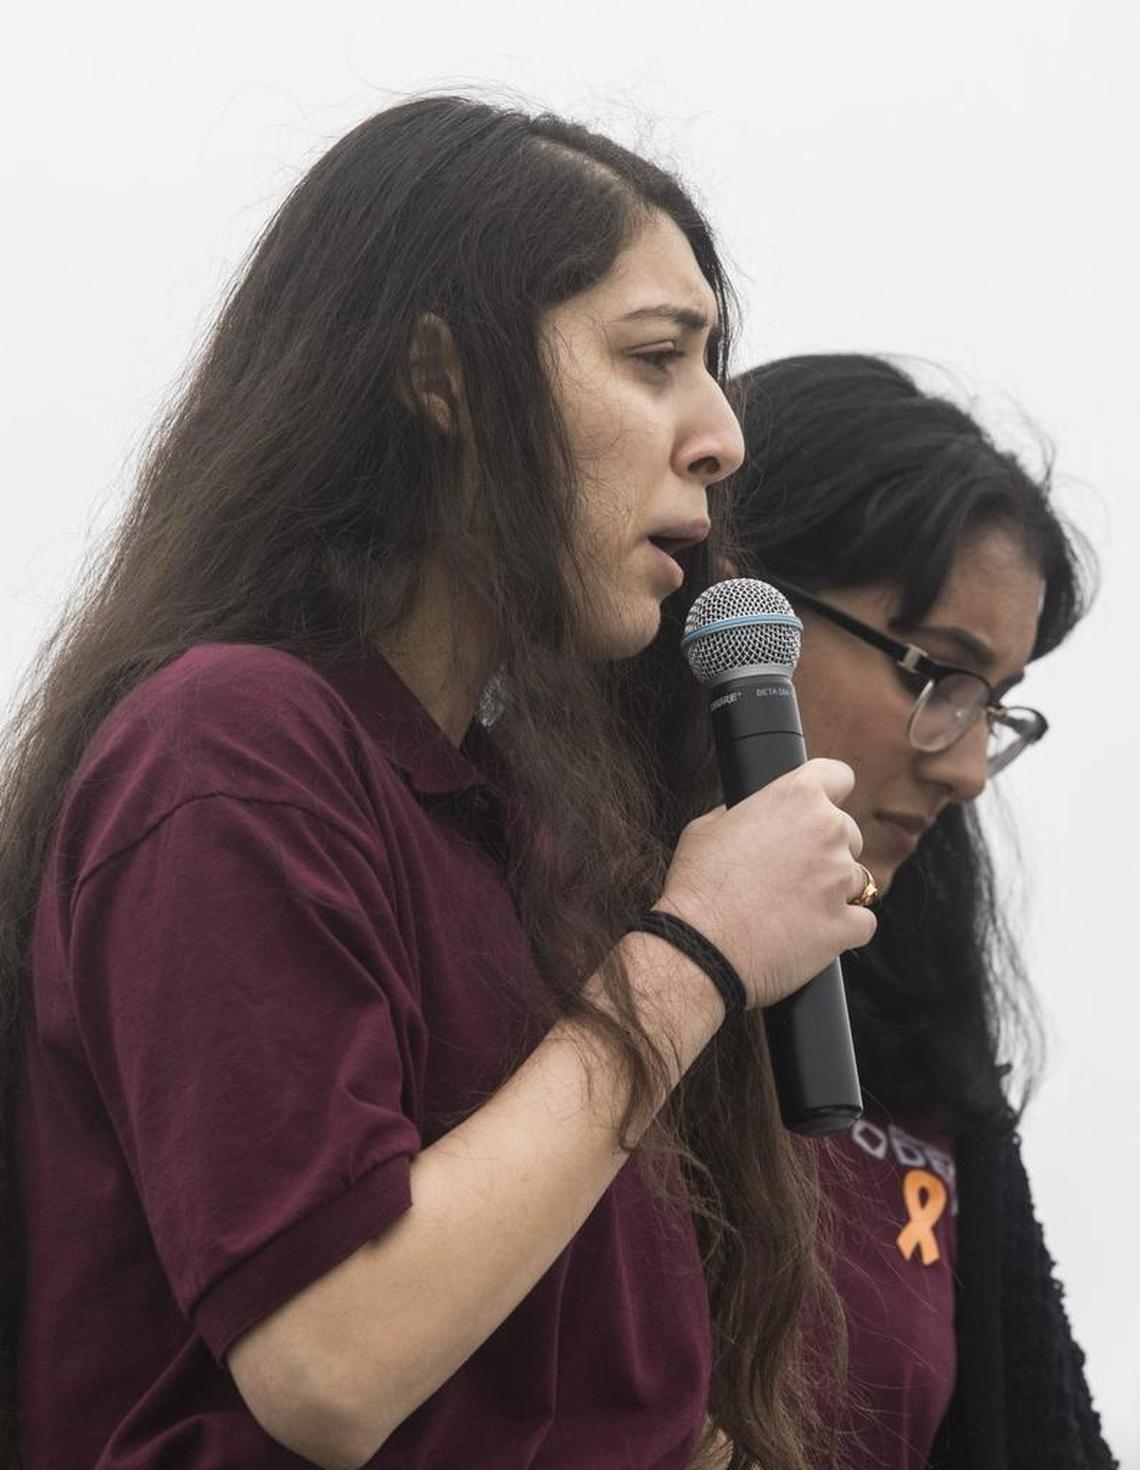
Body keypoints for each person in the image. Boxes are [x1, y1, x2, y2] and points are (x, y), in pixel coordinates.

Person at [0, 101, 877, 1469]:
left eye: (714, 367)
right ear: (441, 377)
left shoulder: (518, 814)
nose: (721, 436)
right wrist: (698, 948)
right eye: (654, 358)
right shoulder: (227, 749)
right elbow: (331, 1360)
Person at [727, 353, 1117, 1470]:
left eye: (994, 708)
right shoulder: (497, 927)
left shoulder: (917, 1051)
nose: (970, 771)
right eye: (938, 675)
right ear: (739, 608)